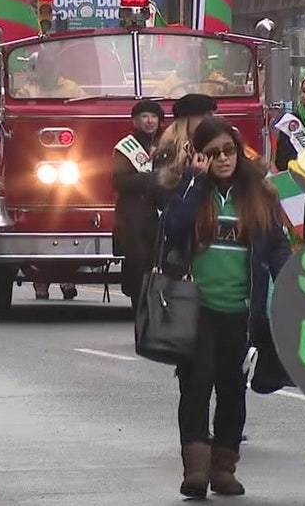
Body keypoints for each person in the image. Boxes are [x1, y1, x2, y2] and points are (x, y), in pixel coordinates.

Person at [162, 117, 290, 499]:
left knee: (233, 391)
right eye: (213, 153)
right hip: (195, 311)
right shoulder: (190, 189)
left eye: (228, 151)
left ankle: (223, 468)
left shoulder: (259, 195)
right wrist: (195, 181)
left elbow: (277, 247)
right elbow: (173, 230)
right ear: (199, 156)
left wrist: (291, 284)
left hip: (241, 312)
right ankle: (196, 470)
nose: (222, 159)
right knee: (196, 387)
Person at [112, 100, 165, 307]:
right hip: (134, 219)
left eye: (154, 116)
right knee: (138, 269)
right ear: (135, 121)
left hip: (161, 216)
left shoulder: (167, 144)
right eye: (145, 116)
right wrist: (153, 178)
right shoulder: (125, 148)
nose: (150, 121)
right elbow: (119, 181)